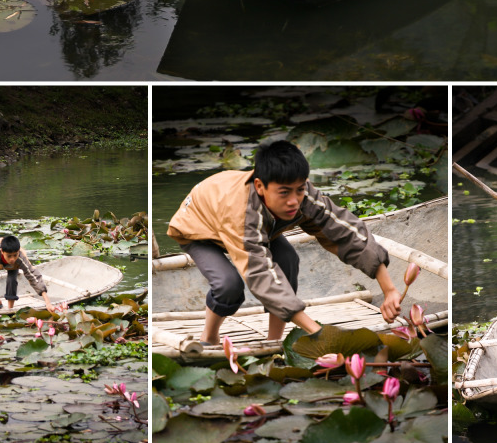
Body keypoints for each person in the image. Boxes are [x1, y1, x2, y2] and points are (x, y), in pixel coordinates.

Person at [166, 139, 402, 345]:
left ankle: (273, 340)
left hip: (261, 227)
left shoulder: (302, 194)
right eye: (284, 193)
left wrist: (389, 289)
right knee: (228, 285)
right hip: (200, 229)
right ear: (260, 186)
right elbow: (261, 275)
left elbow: (345, 230)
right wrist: (316, 331)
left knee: (288, 259)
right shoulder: (239, 211)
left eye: (299, 190)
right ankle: (209, 337)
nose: (294, 201)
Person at [0, 234, 62, 313]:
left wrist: (48, 303)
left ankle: (10, 310)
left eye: (15, 255)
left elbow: (34, 276)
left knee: (12, 280)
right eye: (9, 256)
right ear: (2, 251)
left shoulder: (19, 259)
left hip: (13, 267)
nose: (12, 259)